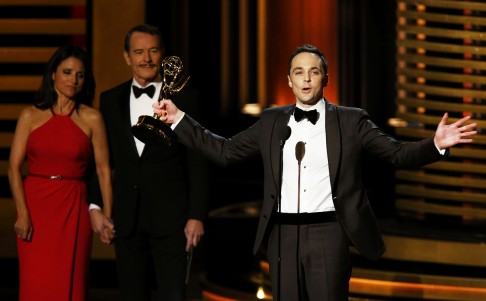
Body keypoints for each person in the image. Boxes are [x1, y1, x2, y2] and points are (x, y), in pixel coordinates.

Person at [154, 44, 477, 301]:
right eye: (299, 72)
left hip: (329, 233)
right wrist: (180, 118)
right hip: (281, 235)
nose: (306, 79)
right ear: (289, 81)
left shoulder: (351, 121)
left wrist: (434, 145)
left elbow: (396, 153)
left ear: (325, 78)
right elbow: (224, 151)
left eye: (313, 72)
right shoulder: (271, 121)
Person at [88, 24, 209, 301]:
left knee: (173, 295)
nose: (146, 59)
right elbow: (102, 159)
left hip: (173, 220)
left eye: (153, 51)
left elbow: (198, 161)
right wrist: (95, 205)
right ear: (126, 57)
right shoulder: (110, 99)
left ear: (163, 55)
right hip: (126, 219)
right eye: (139, 52)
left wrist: (196, 215)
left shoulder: (187, 98)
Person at [8, 45, 113, 301]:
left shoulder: (92, 119)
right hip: (35, 208)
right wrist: (22, 212)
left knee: (73, 285)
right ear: (52, 74)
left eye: (79, 75)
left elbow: (103, 170)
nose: (73, 80)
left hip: (74, 206)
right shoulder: (29, 116)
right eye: (67, 72)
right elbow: (13, 167)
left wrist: (107, 217)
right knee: (36, 284)